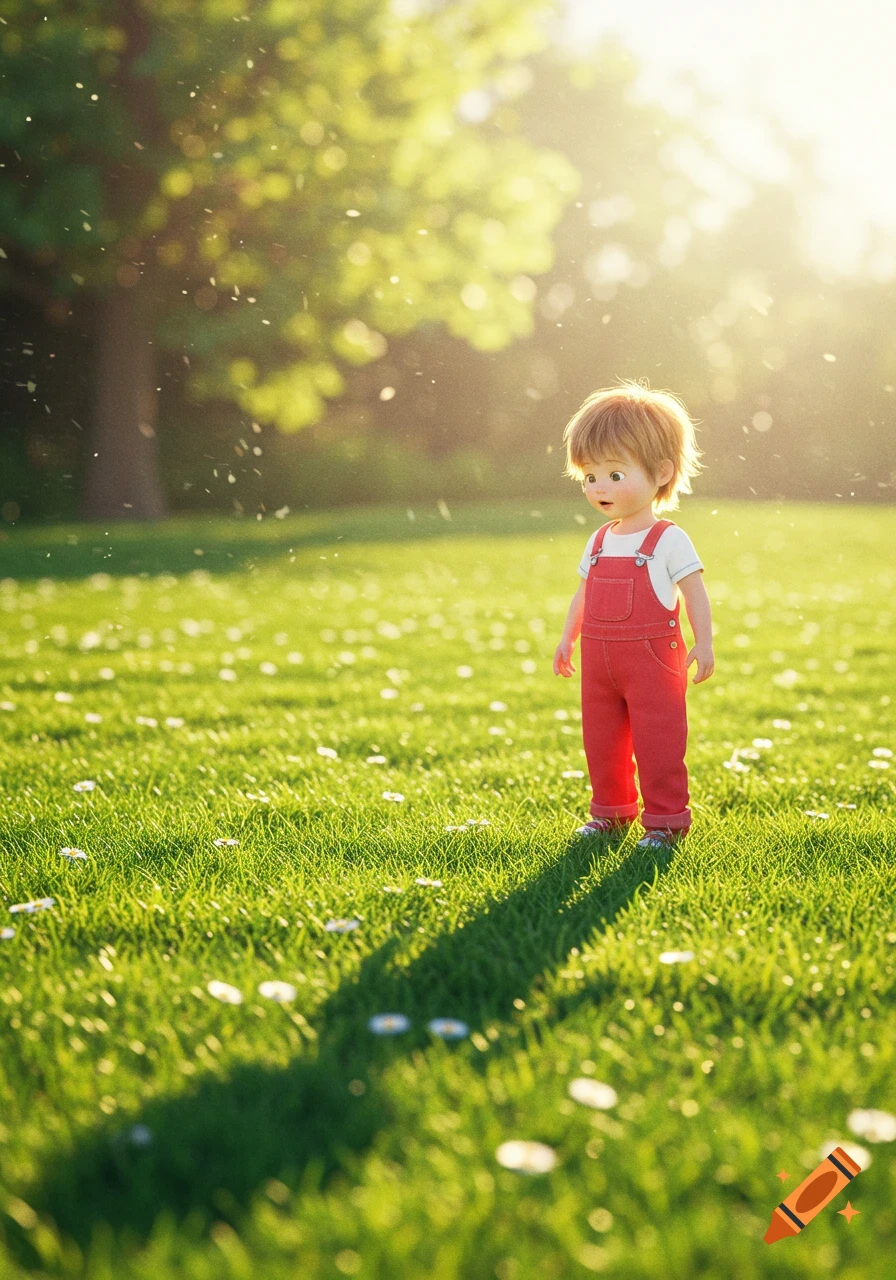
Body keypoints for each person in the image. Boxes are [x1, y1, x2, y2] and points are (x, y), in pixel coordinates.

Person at [553, 382, 715, 850]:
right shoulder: (600, 539)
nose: (600, 487)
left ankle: (665, 820)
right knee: (601, 741)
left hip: (652, 663)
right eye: (590, 477)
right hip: (599, 660)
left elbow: (694, 592)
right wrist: (568, 638)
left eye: (615, 475)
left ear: (661, 472)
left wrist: (703, 643)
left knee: (659, 741)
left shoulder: (668, 539)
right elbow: (583, 592)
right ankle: (611, 811)